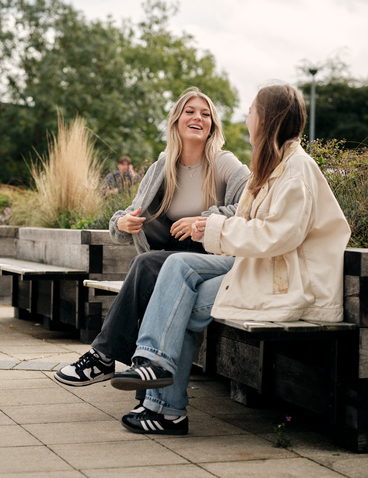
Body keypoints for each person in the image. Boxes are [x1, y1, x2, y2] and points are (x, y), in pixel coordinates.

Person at [109, 83, 351, 436]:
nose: (247, 117)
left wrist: (211, 227)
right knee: (180, 284)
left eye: (251, 111)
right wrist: (215, 227)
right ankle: (159, 385)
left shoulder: (298, 169)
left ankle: (163, 400)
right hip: (257, 266)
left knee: (180, 284)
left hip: (287, 278)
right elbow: (249, 223)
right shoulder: (272, 166)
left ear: (266, 119)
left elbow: (278, 235)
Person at [55, 87, 250, 388]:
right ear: (176, 120)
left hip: (208, 255)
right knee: (148, 268)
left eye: (206, 113)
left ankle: (102, 357)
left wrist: (205, 220)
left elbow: (251, 207)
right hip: (168, 255)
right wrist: (122, 222)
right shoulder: (162, 167)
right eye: (190, 111)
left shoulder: (224, 163)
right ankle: (143, 386)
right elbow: (127, 216)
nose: (198, 117)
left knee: (146, 266)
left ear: (212, 125)